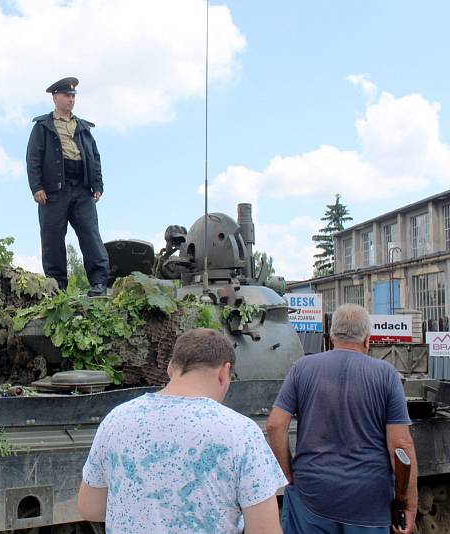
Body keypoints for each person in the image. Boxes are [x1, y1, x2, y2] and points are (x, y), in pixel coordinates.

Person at [78, 328, 286, 533]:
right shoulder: (241, 432)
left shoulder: (116, 419)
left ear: (170, 368)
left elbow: (90, 508)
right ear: (224, 373)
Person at [266, 304, 418, 534]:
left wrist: (287, 475)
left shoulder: (302, 368)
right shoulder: (387, 375)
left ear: (331, 336)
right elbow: (401, 445)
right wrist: (409, 502)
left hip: (312, 495)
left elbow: (275, 424)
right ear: (367, 340)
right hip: (368, 501)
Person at [26, 76, 110, 297]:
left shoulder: (83, 127)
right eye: (66, 95)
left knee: (91, 235)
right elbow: (33, 158)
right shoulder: (43, 126)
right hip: (53, 190)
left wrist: (97, 184)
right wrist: (37, 187)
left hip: (82, 187)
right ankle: (57, 287)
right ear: (55, 98)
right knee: (52, 238)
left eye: (73, 96)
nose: (70, 99)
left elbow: (95, 156)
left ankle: (100, 282)